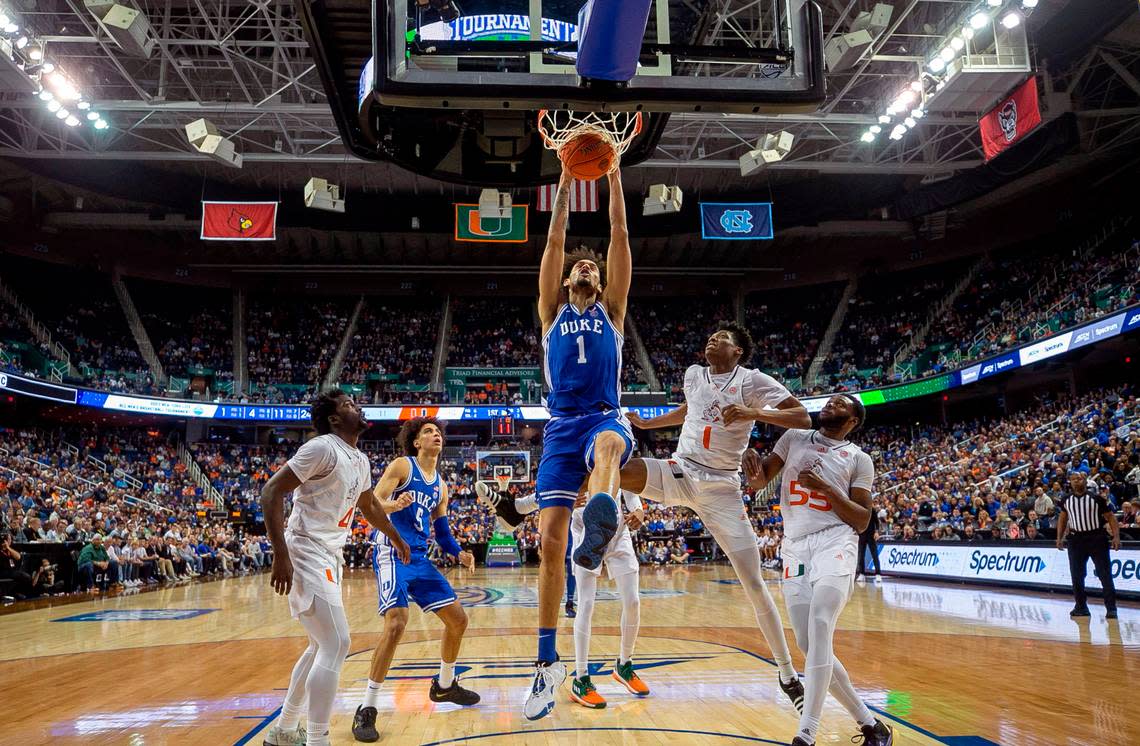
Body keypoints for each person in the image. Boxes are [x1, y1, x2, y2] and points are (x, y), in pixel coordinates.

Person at [489, 320, 811, 716]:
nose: (711, 338)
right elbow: (689, 411)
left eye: (722, 338)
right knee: (601, 472)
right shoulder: (694, 375)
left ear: (738, 351)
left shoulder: (756, 381)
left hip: (722, 488)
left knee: (754, 583)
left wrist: (753, 411)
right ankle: (520, 508)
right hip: (679, 471)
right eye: (710, 335)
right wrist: (649, 424)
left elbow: (802, 417)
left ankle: (786, 674)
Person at [526, 160, 635, 721]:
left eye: (593, 267)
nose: (588, 268)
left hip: (603, 416)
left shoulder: (614, 312)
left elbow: (618, 232)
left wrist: (613, 173)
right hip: (560, 427)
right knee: (548, 541)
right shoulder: (551, 313)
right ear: (568, 282)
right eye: (580, 268)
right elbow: (555, 237)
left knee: (612, 448)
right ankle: (547, 664)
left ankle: (602, 510)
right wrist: (567, 178)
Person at [260, 390, 410, 746]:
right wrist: (280, 554)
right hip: (305, 548)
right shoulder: (321, 448)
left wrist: (396, 537)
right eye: (347, 405)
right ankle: (317, 739)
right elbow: (271, 491)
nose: (357, 407)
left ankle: (284, 730)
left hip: (330, 554)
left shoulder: (358, 458)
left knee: (319, 646)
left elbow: (369, 505)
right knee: (337, 641)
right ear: (334, 419)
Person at [744, 394, 893, 746]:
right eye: (829, 402)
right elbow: (759, 481)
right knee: (810, 646)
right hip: (795, 545)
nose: (829, 405)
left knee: (822, 622)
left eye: (840, 404)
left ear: (853, 420)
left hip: (834, 541)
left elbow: (861, 519)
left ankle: (806, 733)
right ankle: (872, 726)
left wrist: (825, 488)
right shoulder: (794, 437)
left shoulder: (859, 459)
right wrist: (751, 468)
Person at [352, 418, 480, 743]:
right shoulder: (402, 466)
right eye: (428, 432)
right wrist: (393, 504)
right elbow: (371, 501)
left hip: (420, 558)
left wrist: (460, 553)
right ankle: (367, 708)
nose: (435, 434)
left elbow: (444, 533)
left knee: (458, 620)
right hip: (392, 550)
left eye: (438, 432)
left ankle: (445, 685)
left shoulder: (441, 485)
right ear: (416, 443)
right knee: (396, 624)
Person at [483, 486, 648, 709]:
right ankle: (581, 679)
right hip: (584, 533)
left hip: (619, 533)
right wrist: (564, 499)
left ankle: (624, 665)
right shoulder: (573, 457)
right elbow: (555, 488)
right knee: (586, 605)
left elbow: (626, 480)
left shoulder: (615, 452)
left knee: (633, 602)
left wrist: (637, 508)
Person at [1056, 471, 1120, 620]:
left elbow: (1111, 517)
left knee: (1105, 574)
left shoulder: (1096, 499)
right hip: (1076, 539)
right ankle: (1081, 606)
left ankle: (1111, 608)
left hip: (1096, 538)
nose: (1077, 481)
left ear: (1085, 481)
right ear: (1070, 482)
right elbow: (1063, 518)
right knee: (1076, 575)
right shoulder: (1066, 499)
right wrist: (1059, 537)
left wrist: (1116, 537)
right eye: (1073, 479)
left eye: (1080, 479)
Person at [855, 503, 881, 582]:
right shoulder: (858, 510)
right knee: (861, 555)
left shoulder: (872, 510)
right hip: (862, 535)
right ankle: (862, 574)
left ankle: (878, 574)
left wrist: (876, 532)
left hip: (871, 535)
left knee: (874, 554)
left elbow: (877, 522)